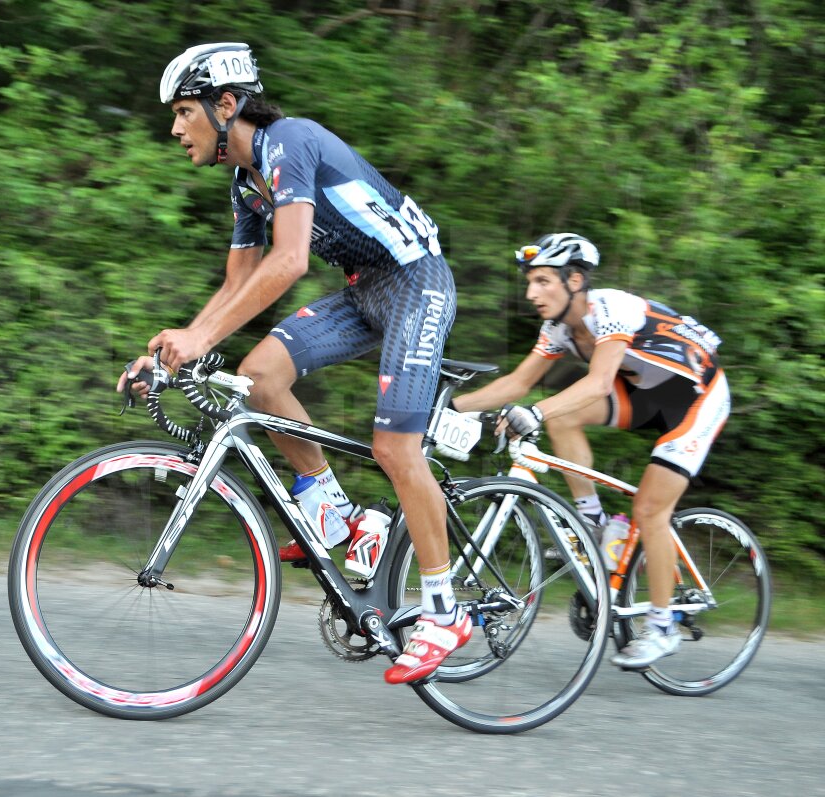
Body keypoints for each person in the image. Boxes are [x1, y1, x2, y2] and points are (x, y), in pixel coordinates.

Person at [117, 42, 466, 684]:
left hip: (419, 281)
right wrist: (170, 351)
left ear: (227, 105)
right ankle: (343, 519)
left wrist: (197, 340)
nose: (174, 128)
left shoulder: (289, 143)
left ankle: (444, 612)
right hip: (367, 288)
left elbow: (291, 261)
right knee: (259, 377)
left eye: (184, 112)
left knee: (395, 448)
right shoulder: (247, 185)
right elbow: (235, 288)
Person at [452, 233, 730, 668]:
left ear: (575, 279)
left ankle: (661, 627)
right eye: (530, 282)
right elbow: (518, 383)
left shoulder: (611, 308)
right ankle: (594, 523)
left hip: (698, 396)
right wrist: (446, 406)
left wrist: (535, 414)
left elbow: (599, 383)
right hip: (647, 392)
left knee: (651, 511)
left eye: (543, 281)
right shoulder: (558, 327)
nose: (532, 293)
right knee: (564, 416)